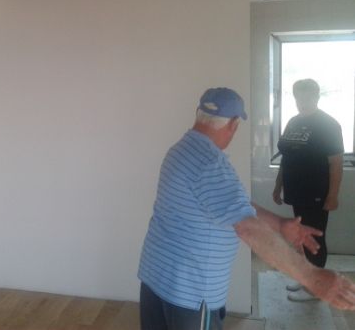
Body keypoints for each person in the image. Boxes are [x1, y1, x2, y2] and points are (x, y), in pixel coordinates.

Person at [138, 87, 355, 330]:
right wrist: (313, 278)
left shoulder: (181, 150)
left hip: (156, 277)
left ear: (199, 113)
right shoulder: (211, 165)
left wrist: (280, 224)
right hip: (190, 292)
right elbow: (249, 229)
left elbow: (232, 205)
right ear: (233, 124)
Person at [272, 78, 344, 302]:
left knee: (315, 239)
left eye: (307, 96)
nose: (302, 101)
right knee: (301, 236)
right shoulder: (294, 121)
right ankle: (307, 279)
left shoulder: (328, 125)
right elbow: (286, 157)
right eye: (298, 97)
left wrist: (332, 196)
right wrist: (278, 185)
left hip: (316, 192)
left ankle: (316, 288)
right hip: (296, 191)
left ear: (316, 97)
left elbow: (336, 163)